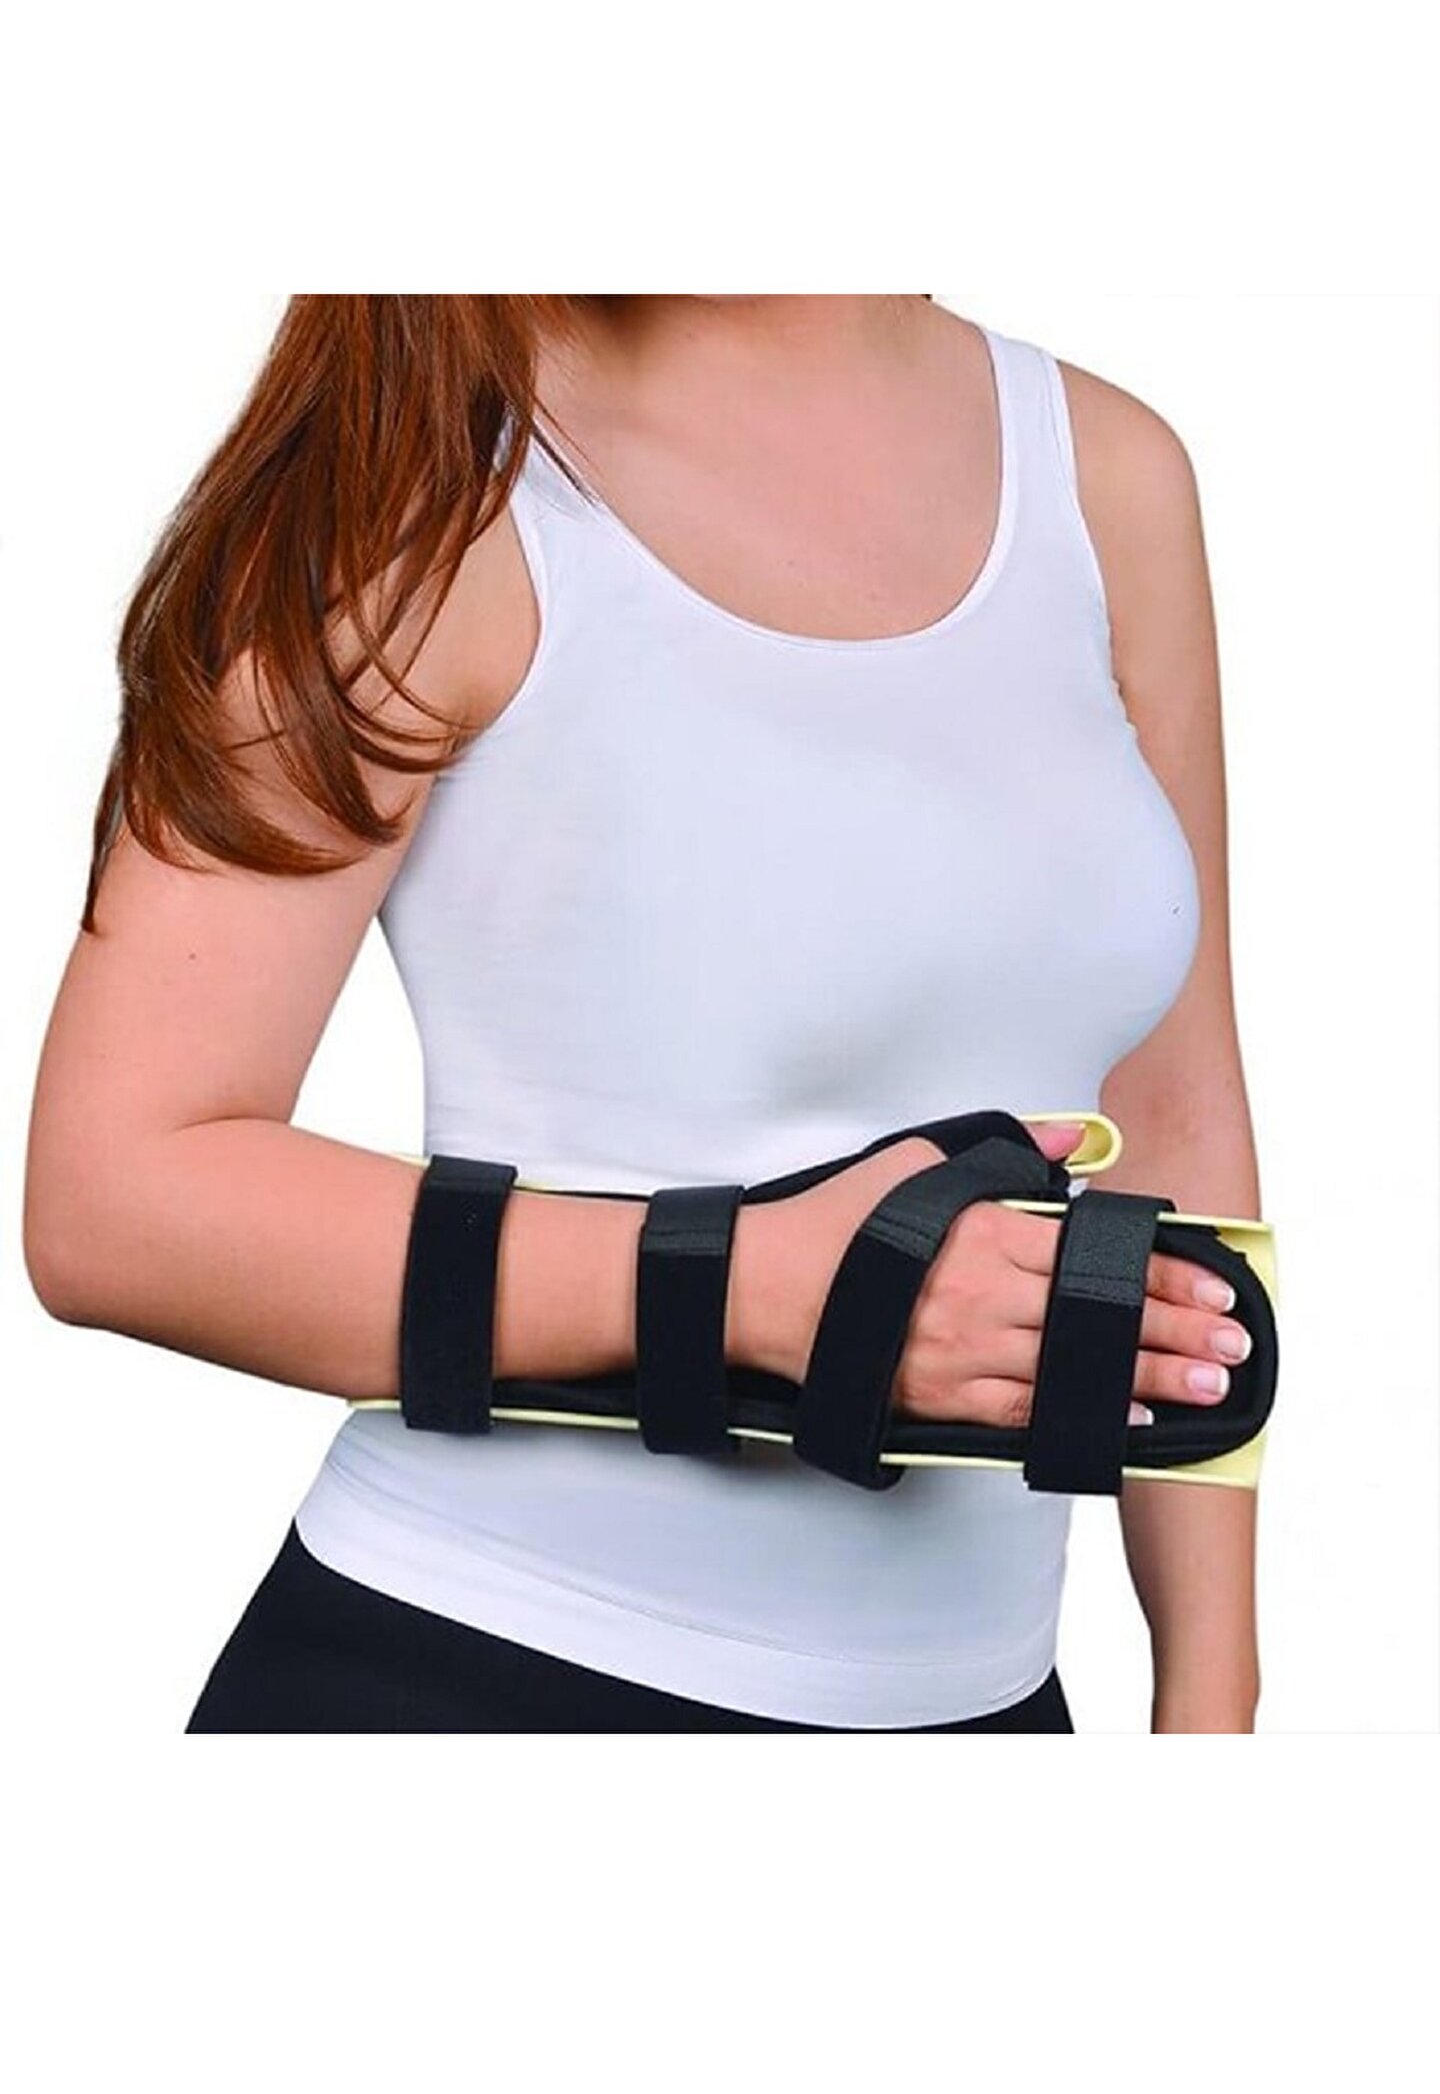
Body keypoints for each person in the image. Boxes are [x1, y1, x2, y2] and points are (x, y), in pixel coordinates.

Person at [23, 295, 1263, 1733]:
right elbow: (113, 1199)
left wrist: (1212, 1693)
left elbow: (1173, 1113)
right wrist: (752, 1290)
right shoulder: (428, 488)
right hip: (480, 1680)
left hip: (991, 1706)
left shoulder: (1109, 474)